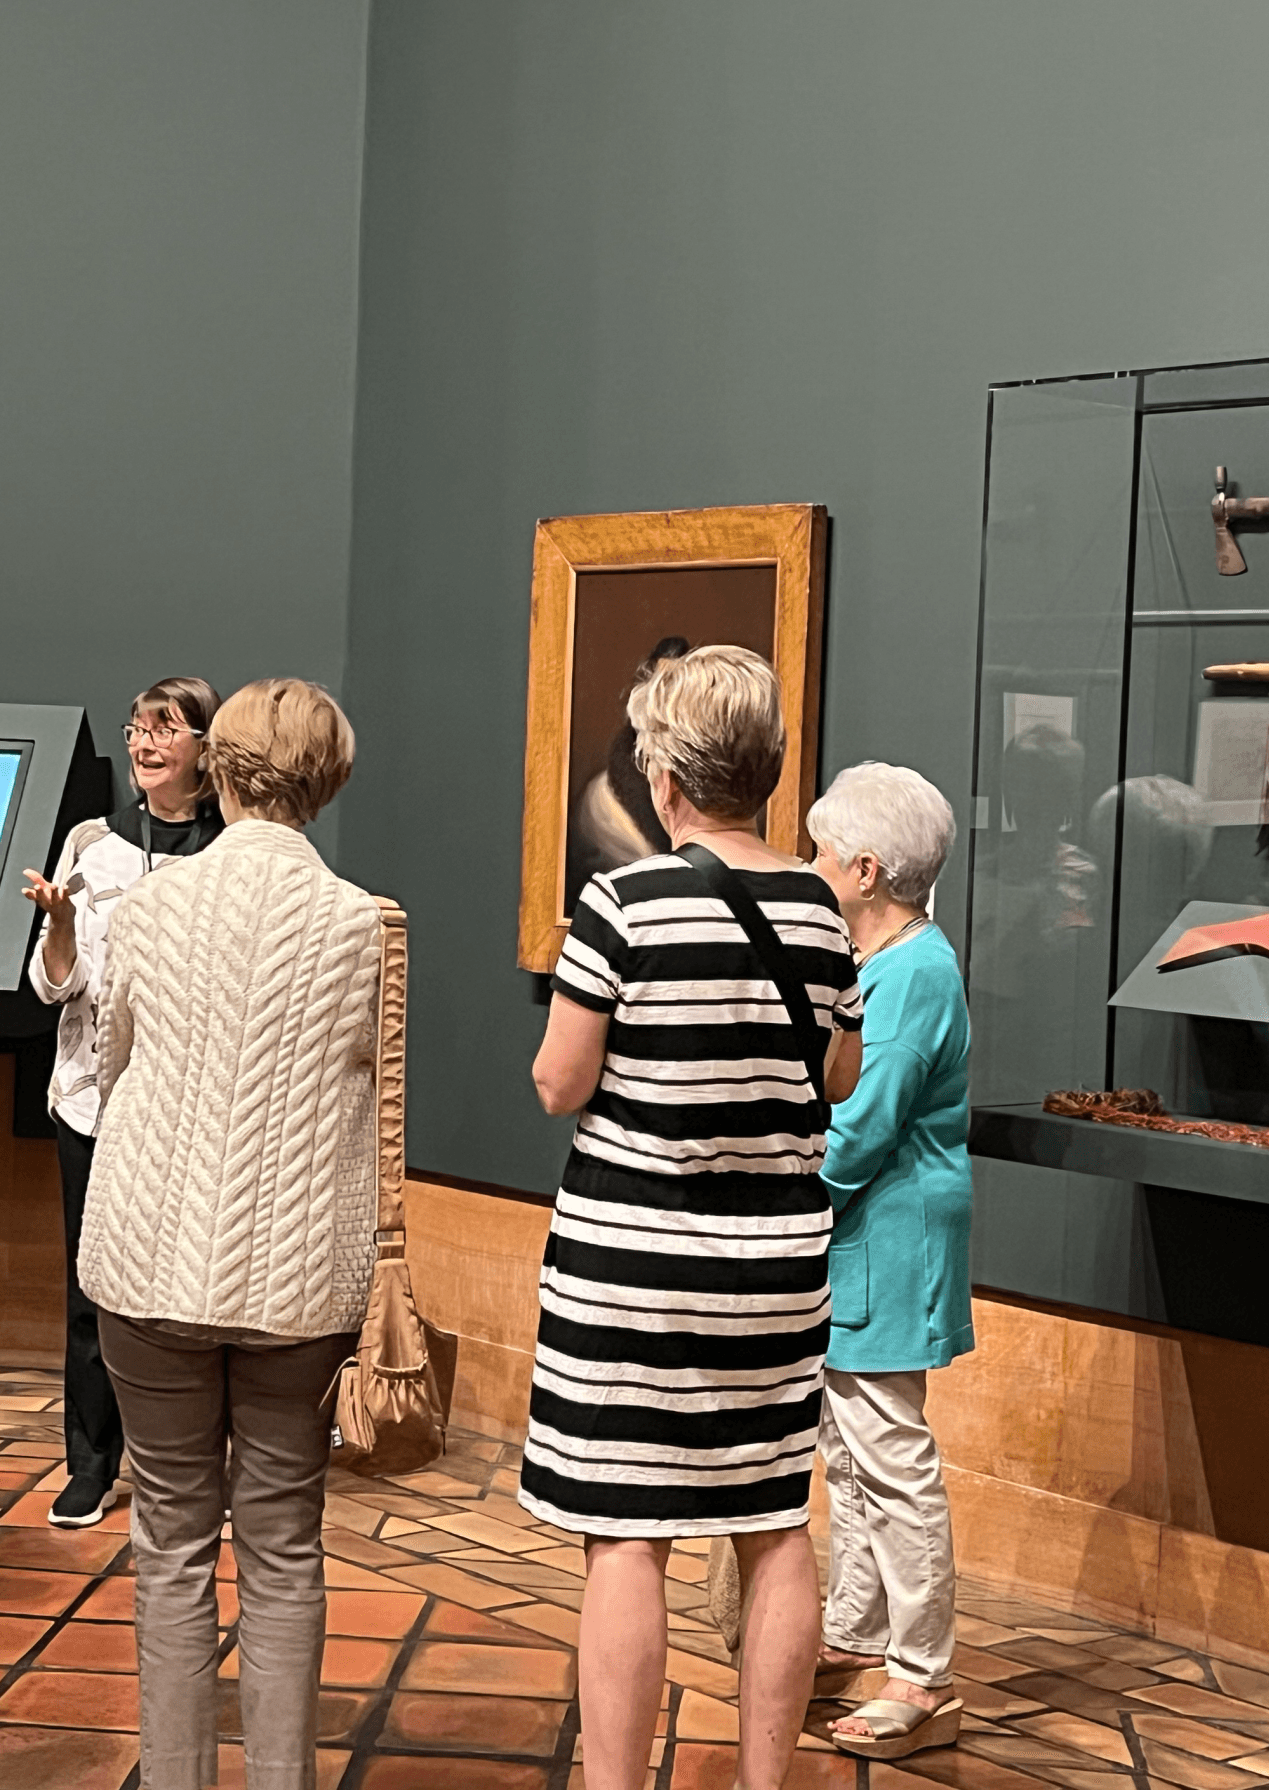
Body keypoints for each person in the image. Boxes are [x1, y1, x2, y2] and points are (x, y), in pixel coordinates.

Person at [521, 644, 864, 1790]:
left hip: (632, 1262)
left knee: (627, 1535)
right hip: (775, 1267)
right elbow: (839, 1078)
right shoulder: (819, 907)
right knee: (772, 1522)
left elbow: (561, 1081)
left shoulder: (622, 901)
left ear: (665, 776)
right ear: (765, 770)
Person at [78, 678, 383, 1790]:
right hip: (299, 1277)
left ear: (221, 767)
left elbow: (115, 1070)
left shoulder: (151, 910)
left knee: (167, 1541)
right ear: (328, 777)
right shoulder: (362, 922)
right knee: (285, 1544)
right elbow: (374, 1092)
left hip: (147, 1255)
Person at [19, 675, 226, 1529]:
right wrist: (61, 931)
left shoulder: (232, 854)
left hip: (190, 1114)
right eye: (137, 727)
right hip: (90, 1107)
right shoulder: (93, 844)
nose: (144, 743)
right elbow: (49, 987)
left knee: (188, 1291)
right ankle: (90, 1463)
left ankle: (185, 1465)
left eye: (165, 729)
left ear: (204, 751)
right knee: (89, 1291)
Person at [803, 761, 973, 1762]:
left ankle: (920, 1674)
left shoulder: (914, 972)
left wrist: (772, 1193)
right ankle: (856, 1630)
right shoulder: (881, 960)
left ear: (864, 869)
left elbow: (859, 1131)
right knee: (848, 1447)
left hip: (888, 1233)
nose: (809, 865)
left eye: (821, 852)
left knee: (890, 1457)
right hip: (860, 1234)